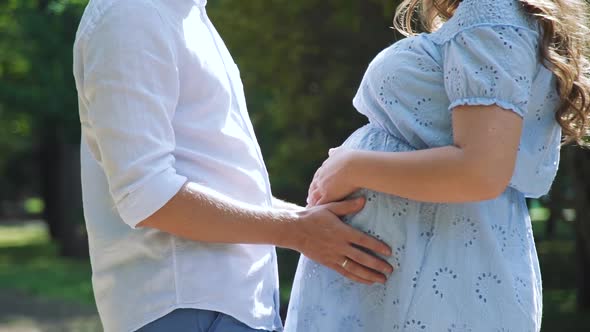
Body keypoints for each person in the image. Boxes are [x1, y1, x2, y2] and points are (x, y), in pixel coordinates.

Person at [72, 0, 394, 331]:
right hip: (185, 308)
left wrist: (312, 221)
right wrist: (299, 230)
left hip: (224, 308)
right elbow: (147, 195)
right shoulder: (130, 14)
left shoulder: (183, 14)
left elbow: (218, 185)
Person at [285, 0, 590, 331]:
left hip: (428, 274)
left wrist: (351, 168)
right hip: (412, 273)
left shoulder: (490, 10)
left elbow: (480, 172)